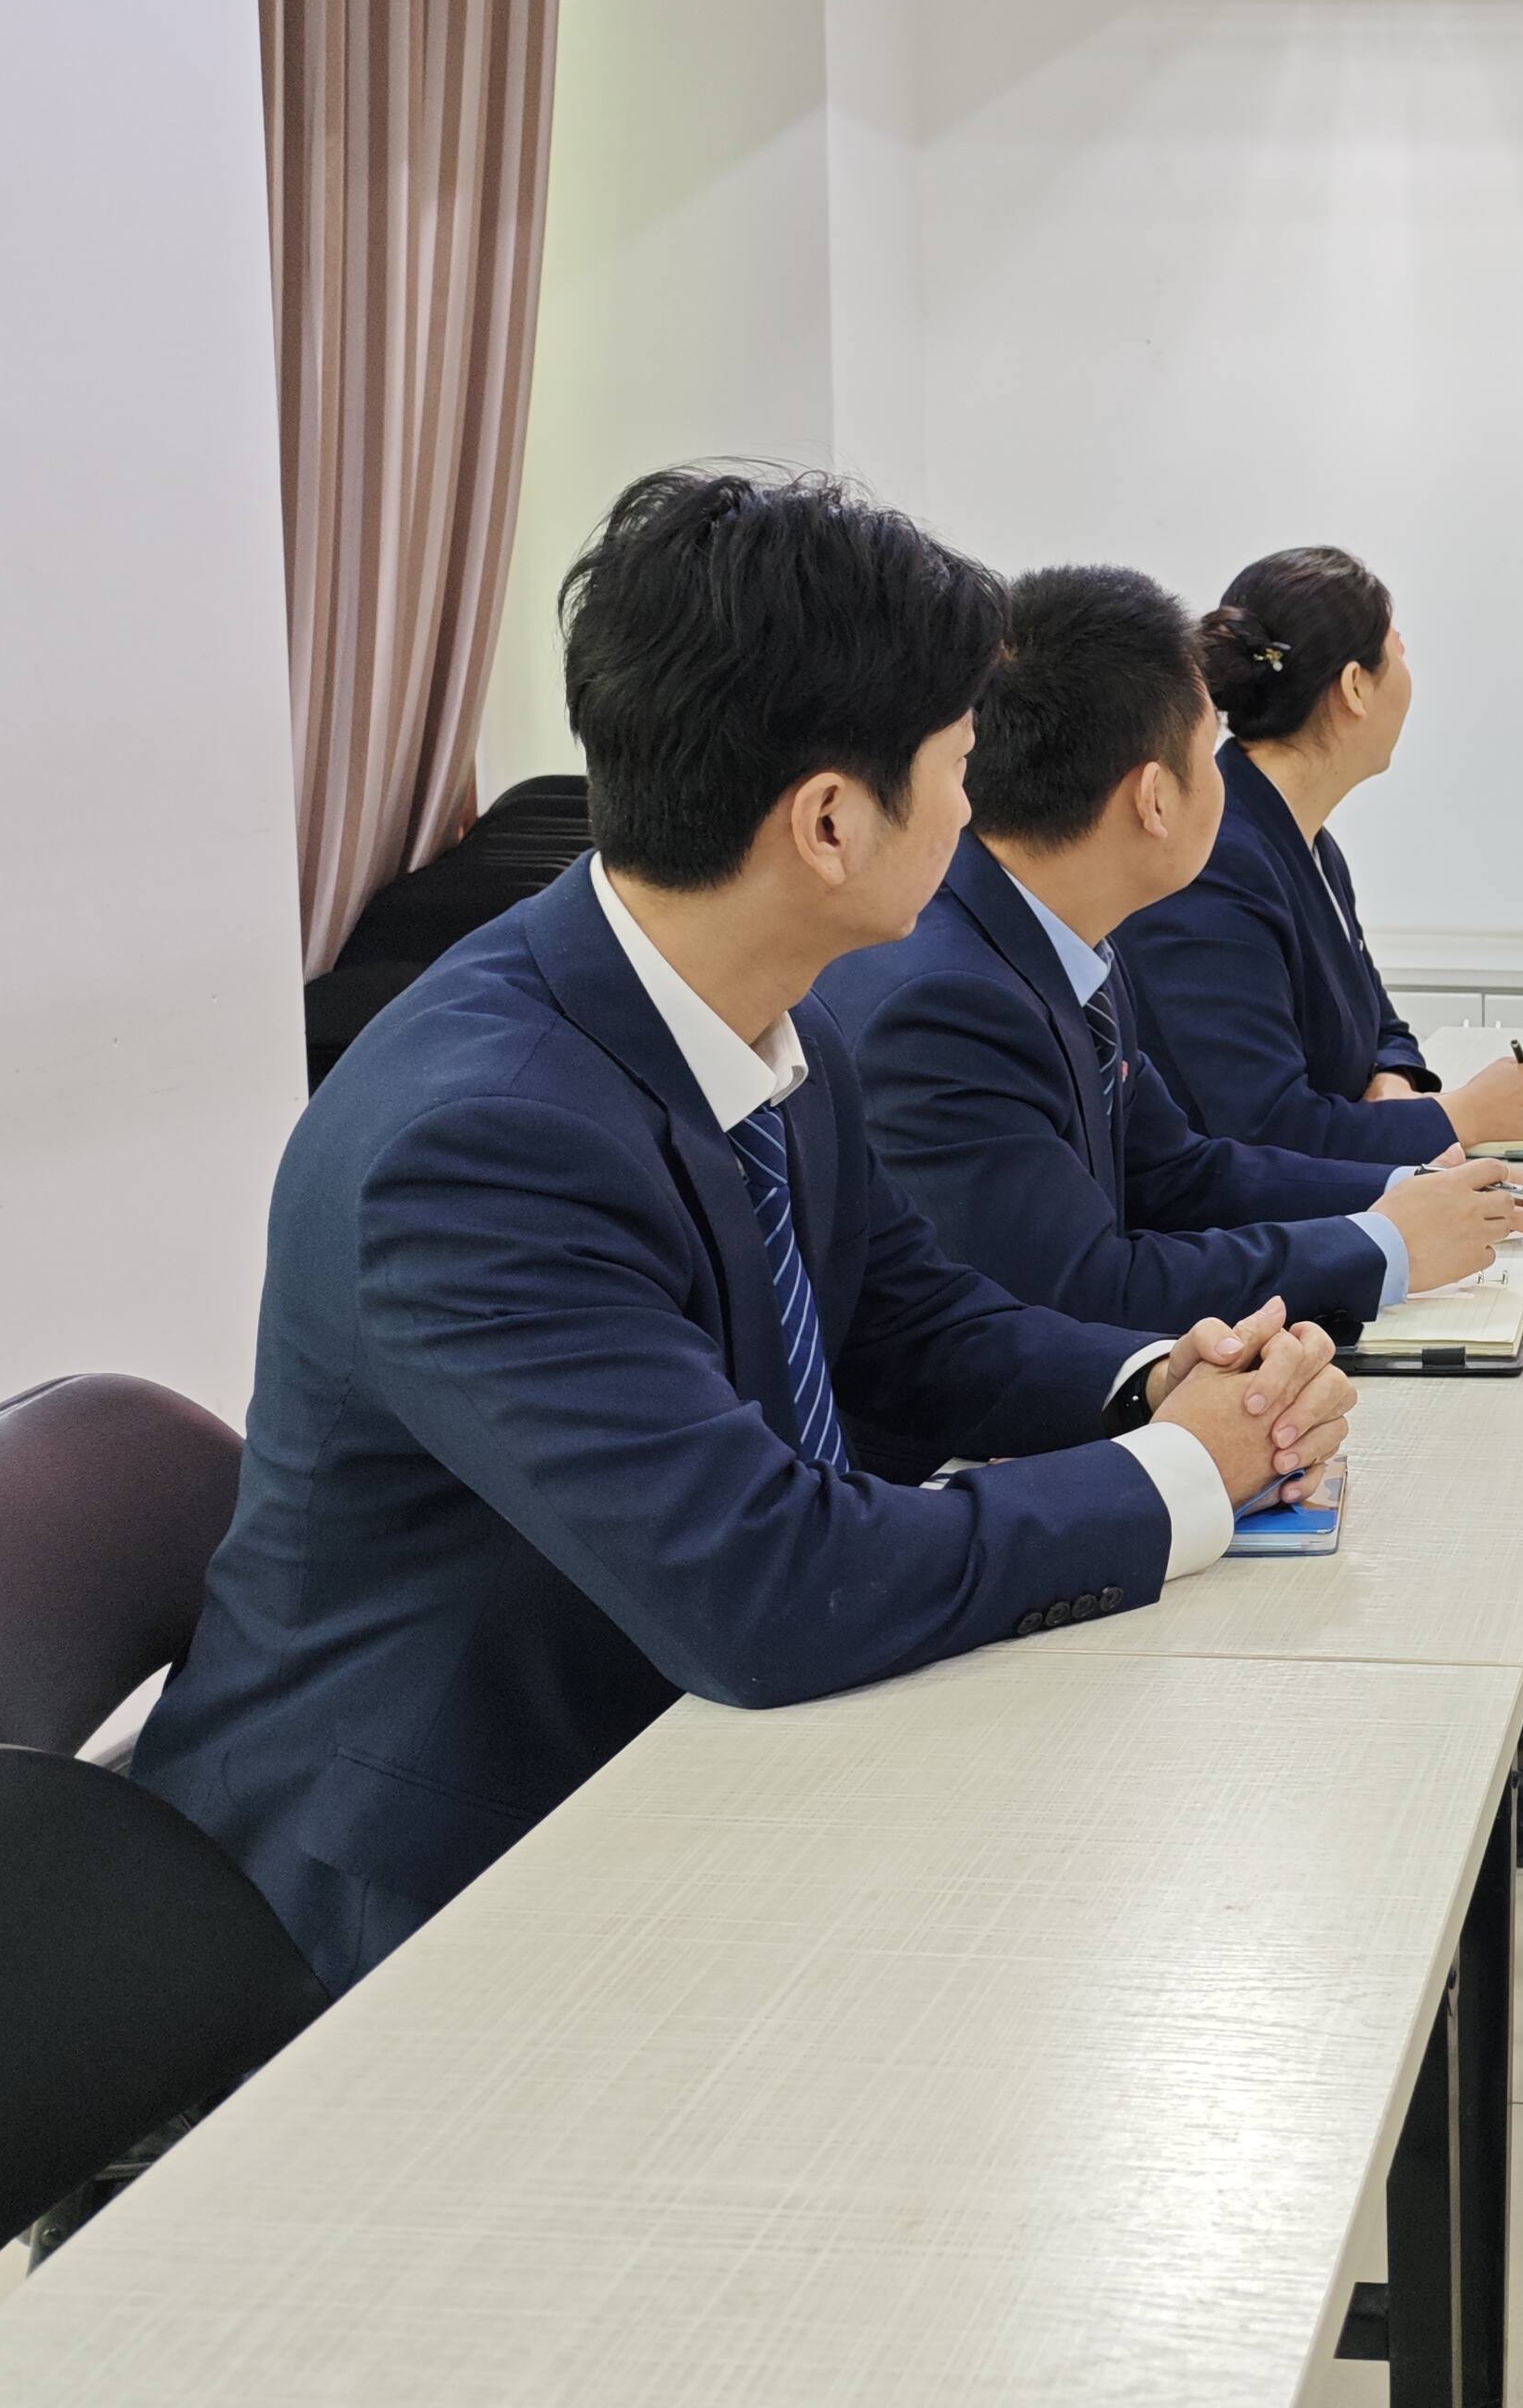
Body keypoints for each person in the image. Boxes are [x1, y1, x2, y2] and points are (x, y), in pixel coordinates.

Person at [135, 472, 1354, 1995]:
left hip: (692, 1752)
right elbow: (767, 1586)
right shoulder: (479, 1144)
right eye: (958, 764)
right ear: (832, 821)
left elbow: (908, 1322)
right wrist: (1181, 1476)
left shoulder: (762, 1008)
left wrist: (1156, 1381)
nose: (976, 810)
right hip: (433, 1899)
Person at [816, 564, 1523, 1858]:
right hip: (937, 1493)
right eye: (1206, 748)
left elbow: (1180, 1171)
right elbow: (1080, 1280)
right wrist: (1380, 1245)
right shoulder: (945, 993)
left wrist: (1399, 1204)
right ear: (1155, 795)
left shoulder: (1062, 938)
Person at [1116, 546, 1523, 1166]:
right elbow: (1264, 1129)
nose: (1408, 669)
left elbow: (1384, 1028)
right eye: (1398, 648)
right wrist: (1462, 1115)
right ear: (1355, 687)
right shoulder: (1215, 861)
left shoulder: (1305, 839)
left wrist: (1395, 1081)